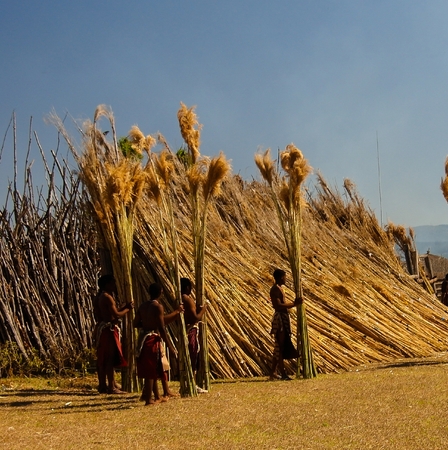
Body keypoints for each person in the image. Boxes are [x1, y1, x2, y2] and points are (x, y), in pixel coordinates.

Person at [133, 283, 180, 405]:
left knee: (152, 367)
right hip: (152, 339)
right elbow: (161, 326)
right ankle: (149, 399)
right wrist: (169, 345)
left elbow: (135, 323)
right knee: (150, 368)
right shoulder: (158, 307)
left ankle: (157, 396)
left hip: (143, 338)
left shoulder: (143, 306)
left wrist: (147, 325)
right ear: (161, 292)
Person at [93, 274, 134, 394]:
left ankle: (102, 385)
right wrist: (128, 309)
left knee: (102, 358)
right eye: (112, 283)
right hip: (109, 330)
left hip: (101, 328)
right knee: (109, 358)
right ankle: (111, 387)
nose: (114, 285)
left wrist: (124, 307)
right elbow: (115, 315)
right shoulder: (107, 297)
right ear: (106, 284)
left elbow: (111, 312)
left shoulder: (98, 296)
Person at [269, 269, 300, 381]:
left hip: (284, 317)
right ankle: (283, 374)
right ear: (281, 277)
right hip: (280, 319)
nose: (286, 279)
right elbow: (278, 305)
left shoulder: (280, 288)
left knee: (278, 347)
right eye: (285, 277)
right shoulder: (275, 289)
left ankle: (273, 373)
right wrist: (294, 304)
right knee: (280, 347)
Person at [180, 277, 207, 391]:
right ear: (187, 287)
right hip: (190, 330)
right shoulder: (187, 299)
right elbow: (195, 318)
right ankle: (192, 384)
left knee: (189, 356)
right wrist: (203, 310)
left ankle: (187, 384)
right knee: (192, 355)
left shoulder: (179, 298)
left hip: (184, 330)